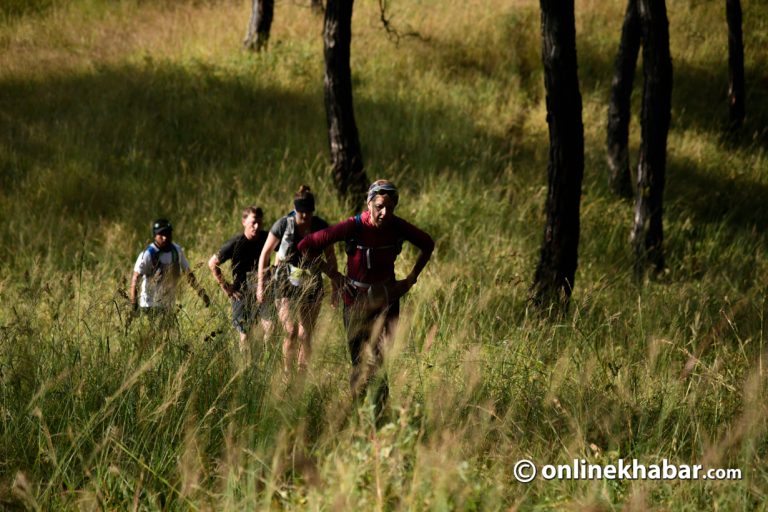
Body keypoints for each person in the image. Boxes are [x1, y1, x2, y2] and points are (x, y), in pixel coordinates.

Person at [297, 179, 434, 413]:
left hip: (387, 303)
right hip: (355, 303)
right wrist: (334, 275)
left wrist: (411, 279)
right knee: (359, 364)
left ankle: (380, 416)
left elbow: (428, 244)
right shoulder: (354, 226)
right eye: (379, 206)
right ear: (368, 203)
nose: (384, 213)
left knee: (381, 363)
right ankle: (359, 416)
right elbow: (305, 245)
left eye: (390, 208)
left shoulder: (397, 226)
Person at [256, 186, 338, 373]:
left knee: (305, 333)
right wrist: (260, 286)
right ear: (295, 209)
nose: (305, 217)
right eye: (301, 213)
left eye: (309, 213)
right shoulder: (284, 225)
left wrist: (335, 289)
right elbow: (265, 254)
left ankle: (301, 375)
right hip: (286, 278)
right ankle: (287, 372)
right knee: (291, 331)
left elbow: (331, 258)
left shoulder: (320, 226)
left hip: (311, 279)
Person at [208, 206, 273, 354]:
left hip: (263, 290)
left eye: (260, 223)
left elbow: (283, 249)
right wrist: (227, 288)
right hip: (241, 294)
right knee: (245, 335)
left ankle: (267, 363)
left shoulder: (267, 237)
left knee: (271, 329)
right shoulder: (235, 243)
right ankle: (245, 368)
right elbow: (212, 263)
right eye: (253, 222)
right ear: (244, 222)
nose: (256, 227)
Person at [130, 218, 210, 327]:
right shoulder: (148, 254)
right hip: (150, 304)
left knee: (169, 337)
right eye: (161, 234)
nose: (165, 237)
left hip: (168, 304)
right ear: (155, 235)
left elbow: (188, 274)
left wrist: (201, 293)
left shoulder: (176, 251)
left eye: (168, 233)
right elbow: (135, 279)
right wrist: (134, 305)